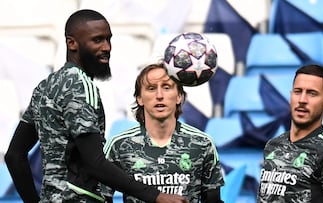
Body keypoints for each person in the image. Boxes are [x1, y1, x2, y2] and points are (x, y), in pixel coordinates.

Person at [4, 9, 189, 203]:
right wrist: (156, 196)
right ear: (71, 43)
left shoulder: (45, 87)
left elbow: (15, 156)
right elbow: (95, 163)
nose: (107, 47)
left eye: (108, 39)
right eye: (97, 40)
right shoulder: (81, 87)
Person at [101, 62, 224, 203]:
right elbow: (101, 197)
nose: (159, 95)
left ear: (179, 96)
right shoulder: (119, 145)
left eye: (166, 87)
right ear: (139, 98)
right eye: (151, 88)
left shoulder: (202, 143)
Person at [257, 64, 323, 202]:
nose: (302, 100)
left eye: (312, 93)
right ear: (290, 96)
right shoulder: (273, 146)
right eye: (298, 91)